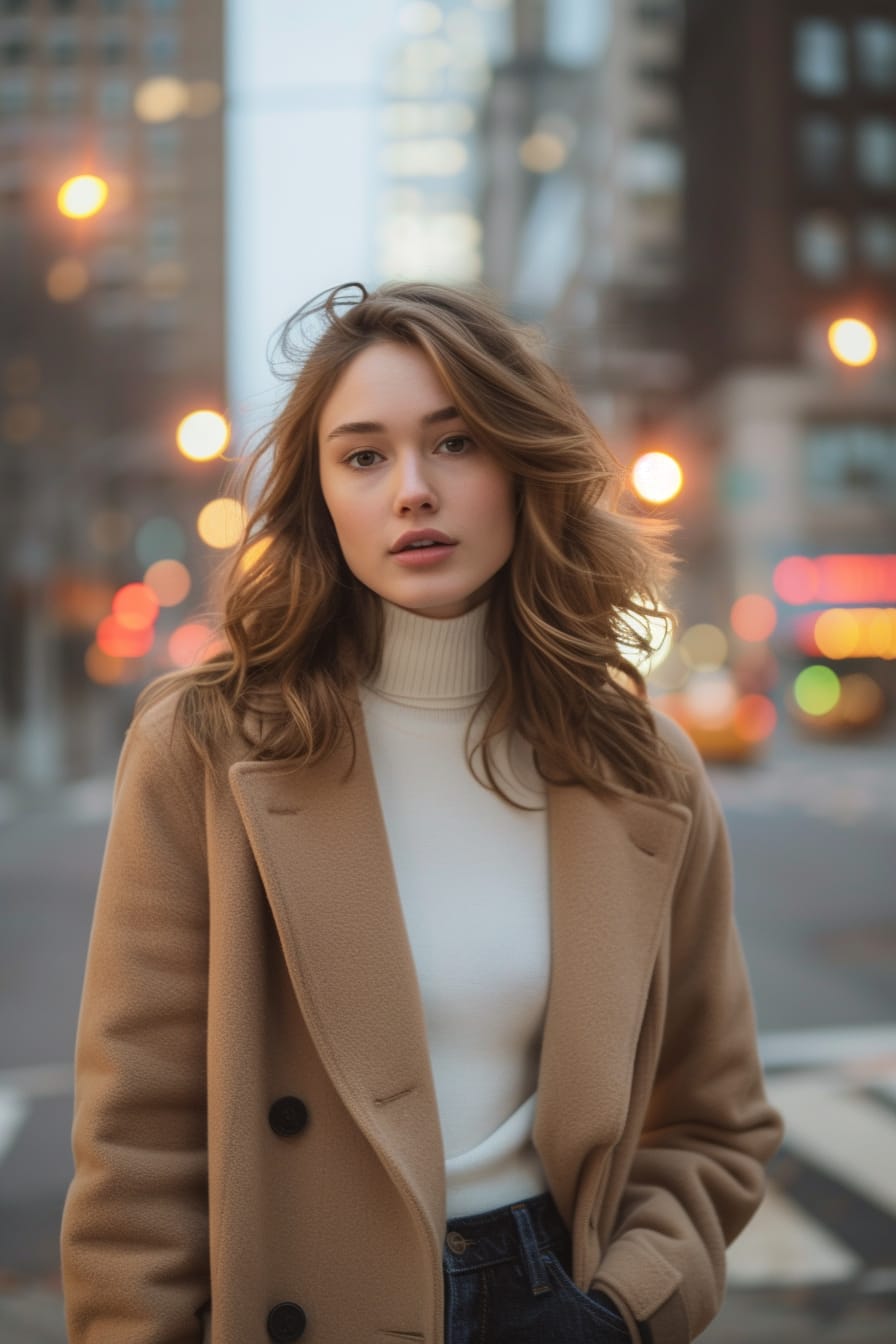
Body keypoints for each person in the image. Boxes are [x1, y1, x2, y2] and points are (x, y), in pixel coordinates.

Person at [61, 280, 783, 1344]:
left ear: (520, 467)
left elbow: (713, 1125)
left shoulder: (641, 768)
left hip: (555, 1297)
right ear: (320, 498)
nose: (411, 490)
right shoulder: (205, 749)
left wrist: (623, 1309)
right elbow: (136, 1151)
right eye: (363, 456)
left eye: (453, 444)